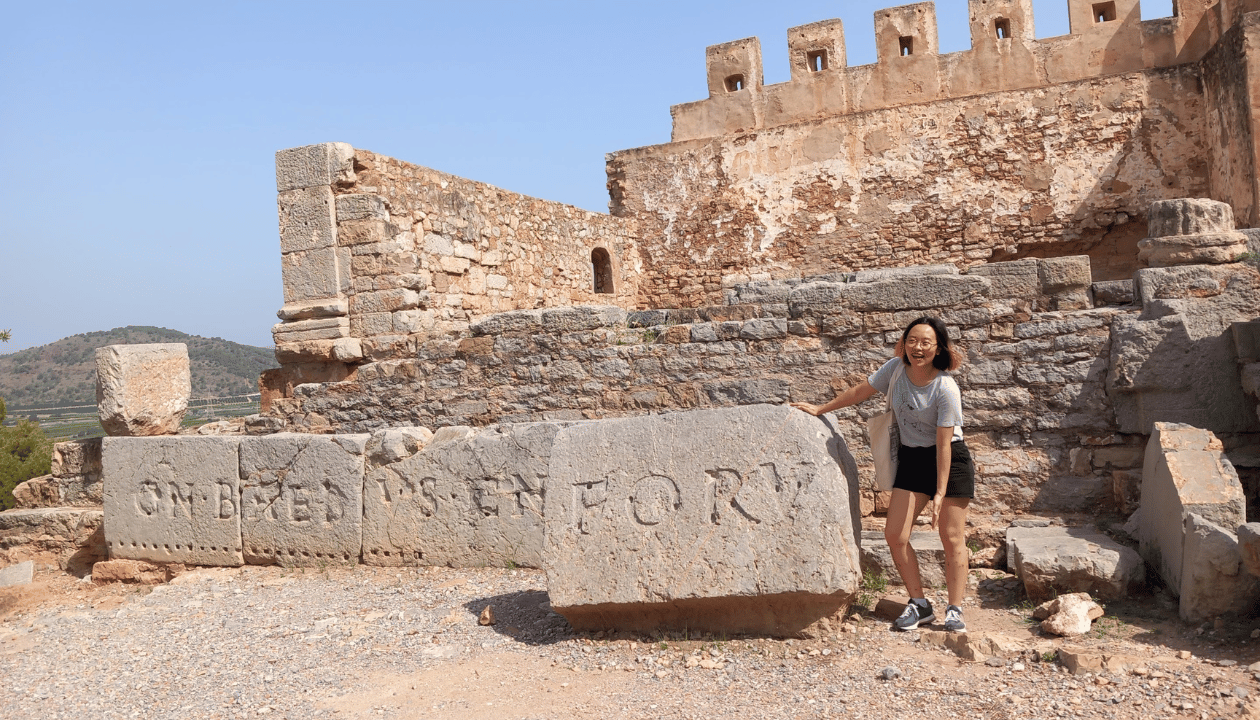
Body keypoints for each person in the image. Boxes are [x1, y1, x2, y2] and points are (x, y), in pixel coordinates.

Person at [790, 316, 974, 632]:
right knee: (895, 535)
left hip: (949, 460)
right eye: (912, 340)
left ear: (938, 348)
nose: (918, 348)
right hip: (913, 460)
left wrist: (940, 493)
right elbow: (862, 390)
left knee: (951, 537)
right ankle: (919, 605)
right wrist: (822, 409)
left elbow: (944, 444)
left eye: (926, 342)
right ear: (903, 344)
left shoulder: (946, 388)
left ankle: (955, 610)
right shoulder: (895, 370)